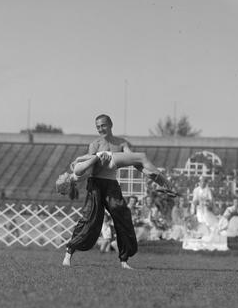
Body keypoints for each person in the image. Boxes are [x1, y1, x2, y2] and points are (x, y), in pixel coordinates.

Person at [56, 115, 176, 269]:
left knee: (123, 217)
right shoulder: (95, 144)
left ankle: (124, 260)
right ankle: (68, 253)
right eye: (98, 126)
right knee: (90, 220)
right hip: (96, 184)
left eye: (103, 125)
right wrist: (98, 161)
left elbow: (134, 161)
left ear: (111, 124)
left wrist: (150, 174)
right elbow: (90, 167)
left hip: (112, 185)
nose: (101, 129)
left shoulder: (122, 143)